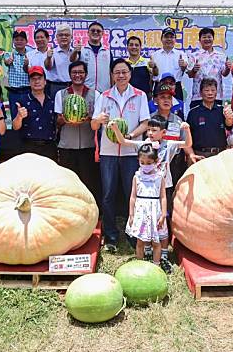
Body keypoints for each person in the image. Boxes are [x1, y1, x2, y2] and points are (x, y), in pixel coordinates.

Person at [110, 114, 192, 273]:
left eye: (154, 130)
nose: (150, 133)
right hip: (145, 192)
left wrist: (187, 130)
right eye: (148, 130)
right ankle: (148, 252)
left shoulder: (169, 145)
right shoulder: (144, 145)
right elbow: (124, 142)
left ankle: (163, 255)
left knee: (162, 223)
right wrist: (115, 128)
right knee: (146, 222)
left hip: (163, 188)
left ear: (163, 132)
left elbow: (187, 143)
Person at [91, 58, 150, 252]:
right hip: (108, 153)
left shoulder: (140, 95)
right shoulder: (104, 96)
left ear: (130, 74)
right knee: (108, 194)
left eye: (124, 72)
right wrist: (98, 119)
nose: (121, 75)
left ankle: (133, 234)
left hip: (131, 153)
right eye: (117, 72)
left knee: (131, 194)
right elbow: (93, 125)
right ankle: (111, 236)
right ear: (112, 75)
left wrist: (131, 135)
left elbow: (145, 123)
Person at [54, 61, 99, 200]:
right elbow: (57, 120)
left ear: (86, 74)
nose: (77, 75)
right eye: (74, 72)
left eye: (81, 72)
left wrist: (88, 118)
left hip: (88, 146)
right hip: (67, 146)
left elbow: (97, 120)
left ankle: (93, 215)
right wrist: (67, 119)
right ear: (70, 75)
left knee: (89, 183)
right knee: (68, 185)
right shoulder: (61, 94)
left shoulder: (95, 94)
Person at [125, 144, 167, 267]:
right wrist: (131, 214)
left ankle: (156, 265)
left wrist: (163, 214)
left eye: (149, 163)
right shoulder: (137, 177)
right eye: (142, 162)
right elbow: (132, 197)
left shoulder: (159, 177)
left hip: (155, 213)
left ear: (156, 161)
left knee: (156, 241)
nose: (145, 165)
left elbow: (163, 196)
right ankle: (140, 265)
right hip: (141, 213)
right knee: (140, 241)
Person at [13, 66, 58, 161]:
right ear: (29, 82)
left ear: (45, 81)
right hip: (28, 147)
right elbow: (15, 126)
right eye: (33, 79)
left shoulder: (52, 101)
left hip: (49, 147)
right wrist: (19, 117)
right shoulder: (22, 100)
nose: (36, 81)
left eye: (39, 78)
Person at [186, 77, 233, 163]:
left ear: (216, 92)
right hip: (201, 155)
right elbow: (186, 136)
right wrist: (191, 154)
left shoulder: (222, 110)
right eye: (207, 90)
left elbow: (229, 126)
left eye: (213, 90)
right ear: (200, 93)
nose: (210, 93)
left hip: (220, 155)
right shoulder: (193, 113)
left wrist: (229, 118)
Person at [187, 27, 231, 107]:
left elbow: (224, 74)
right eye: (204, 37)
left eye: (209, 37)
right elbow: (190, 75)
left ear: (213, 39)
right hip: (198, 96)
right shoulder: (193, 56)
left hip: (216, 95)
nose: (207, 39)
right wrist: (194, 70)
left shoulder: (221, 56)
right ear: (200, 40)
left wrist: (228, 68)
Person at [71, 21, 112, 92]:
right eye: (93, 30)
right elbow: (72, 60)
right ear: (88, 33)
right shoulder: (81, 50)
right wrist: (75, 51)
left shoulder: (107, 52)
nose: (95, 32)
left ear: (102, 34)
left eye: (98, 31)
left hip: (104, 91)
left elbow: (111, 72)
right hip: (85, 91)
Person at [149, 27, 188, 101]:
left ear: (175, 40)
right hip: (159, 87)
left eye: (171, 37)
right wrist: (153, 67)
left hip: (175, 87)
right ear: (161, 39)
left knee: (177, 111)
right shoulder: (154, 55)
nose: (169, 39)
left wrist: (183, 66)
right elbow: (153, 75)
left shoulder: (181, 54)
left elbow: (185, 69)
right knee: (158, 111)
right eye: (166, 37)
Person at [4, 30, 31, 119]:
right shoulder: (8, 54)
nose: (19, 41)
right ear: (13, 41)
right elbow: (7, 62)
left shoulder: (31, 54)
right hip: (13, 91)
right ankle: (16, 132)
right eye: (16, 39)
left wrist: (27, 64)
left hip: (28, 90)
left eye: (22, 39)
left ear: (26, 41)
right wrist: (8, 61)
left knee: (28, 116)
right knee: (15, 116)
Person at [44, 23, 74, 98]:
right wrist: (48, 57)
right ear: (56, 37)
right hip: (55, 87)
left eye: (66, 35)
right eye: (61, 35)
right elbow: (48, 67)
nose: (64, 37)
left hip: (72, 86)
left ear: (71, 37)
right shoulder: (51, 52)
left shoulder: (75, 52)